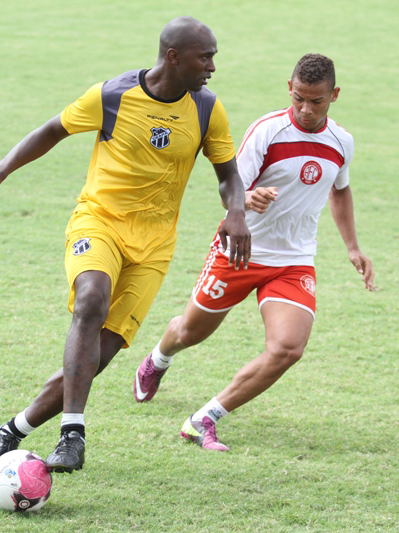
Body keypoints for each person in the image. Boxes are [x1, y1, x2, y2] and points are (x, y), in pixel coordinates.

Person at [0, 16, 251, 473]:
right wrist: (1, 170)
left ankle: (14, 429)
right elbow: (52, 129)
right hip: (98, 222)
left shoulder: (206, 109)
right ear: (173, 57)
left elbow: (228, 175)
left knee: (98, 355)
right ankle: (72, 435)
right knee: (91, 299)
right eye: (206, 56)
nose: (213, 66)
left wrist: (235, 211)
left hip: (154, 246)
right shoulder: (112, 95)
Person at [133, 53, 375, 451]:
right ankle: (159, 359)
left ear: (334, 94)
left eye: (316, 101)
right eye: (299, 98)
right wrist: (248, 198)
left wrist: (352, 247)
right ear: (289, 88)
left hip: (293, 261)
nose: (306, 108)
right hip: (240, 250)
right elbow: (232, 187)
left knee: (287, 349)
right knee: (190, 332)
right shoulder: (268, 131)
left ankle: (203, 419)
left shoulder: (341, 142)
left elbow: (340, 190)